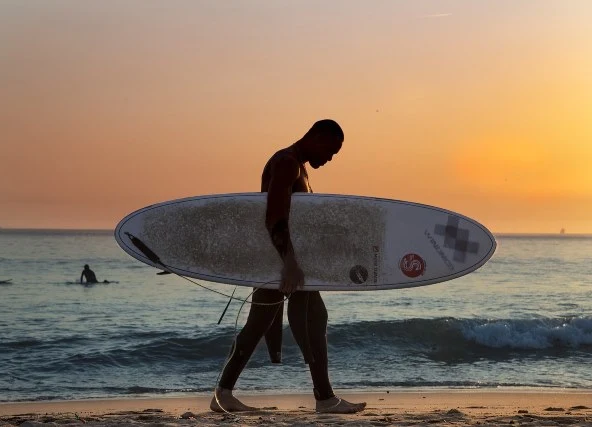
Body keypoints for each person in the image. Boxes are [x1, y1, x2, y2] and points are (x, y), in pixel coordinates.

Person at [210, 119, 366, 414]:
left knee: (260, 324)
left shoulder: (299, 166)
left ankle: (223, 393)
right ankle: (325, 398)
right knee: (313, 319)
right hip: (282, 260)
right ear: (317, 137)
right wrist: (291, 263)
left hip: (278, 259)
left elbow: (299, 220)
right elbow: (275, 216)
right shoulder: (286, 163)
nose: (330, 159)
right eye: (331, 150)